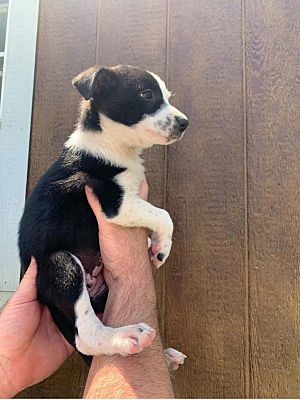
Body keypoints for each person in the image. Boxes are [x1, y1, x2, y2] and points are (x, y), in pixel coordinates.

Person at [0, 180, 174, 398]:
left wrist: (6, 366)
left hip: (80, 280)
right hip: (70, 273)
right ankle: (96, 338)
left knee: (94, 312)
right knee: (62, 268)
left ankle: (101, 341)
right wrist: (131, 272)